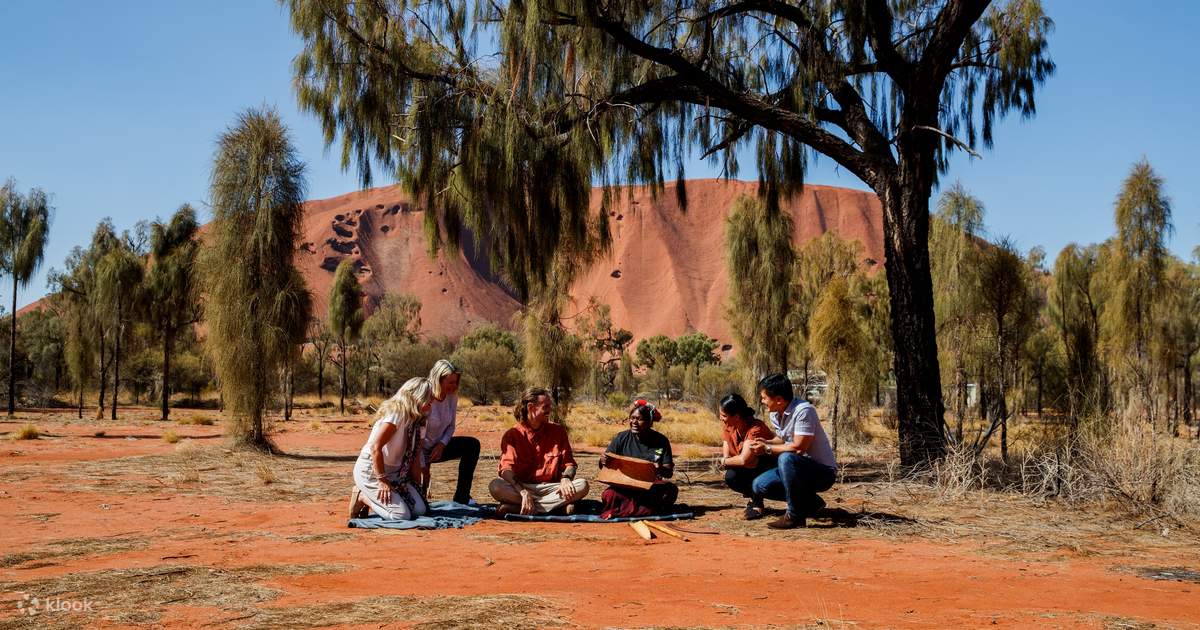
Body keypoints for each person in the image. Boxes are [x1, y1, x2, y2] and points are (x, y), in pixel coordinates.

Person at [751, 373, 838, 529]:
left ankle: (794, 515)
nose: (762, 401)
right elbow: (783, 439)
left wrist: (767, 449)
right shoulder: (775, 413)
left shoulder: (804, 411)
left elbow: (798, 447)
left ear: (778, 399)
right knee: (759, 485)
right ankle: (811, 503)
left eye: (764, 398)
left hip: (822, 472)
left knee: (785, 458)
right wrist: (766, 442)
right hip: (796, 468)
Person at [488, 387, 589, 516]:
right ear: (531, 407)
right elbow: (506, 470)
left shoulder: (558, 431)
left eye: (550, 406)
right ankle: (555, 508)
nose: (549, 410)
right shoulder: (512, 435)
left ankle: (522, 508)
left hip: (552, 488)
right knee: (495, 486)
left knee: (582, 485)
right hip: (522, 487)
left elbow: (570, 464)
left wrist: (566, 479)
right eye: (545, 407)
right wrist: (523, 492)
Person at [349, 377, 434, 520]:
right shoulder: (397, 413)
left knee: (420, 511)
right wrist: (382, 480)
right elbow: (375, 447)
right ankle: (362, 496)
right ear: (416, 396)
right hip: (372, 470)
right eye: (428, 396)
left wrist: (417, 488)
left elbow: (415, 457)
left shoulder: (420, 420)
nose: (432, 400)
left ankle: (392, 499)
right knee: (401, 515)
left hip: (397, 474)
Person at [597, 399, 678, 518]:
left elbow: (669, 472)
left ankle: (621, 510)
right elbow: (604, 465)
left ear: (649, 422)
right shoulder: (621, 437)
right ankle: (642, 510)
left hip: (650, 486)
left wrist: (659, 468)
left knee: (670, 491)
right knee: (609, 495)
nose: (634, 422)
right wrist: (603, 461)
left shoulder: (661, 441)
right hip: (624, 485)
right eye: (632, 418)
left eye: (639, 419)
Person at [419, 359, 480, 505]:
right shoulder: (424, 397)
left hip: (437, 448)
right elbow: (415, 436)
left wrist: (442, 444)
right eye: (451, 382)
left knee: (472, 445)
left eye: (456, 382)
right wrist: (422, 465)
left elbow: (451, 426)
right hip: (417, 450)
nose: (455, 386)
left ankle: (462, 496)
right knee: (420, 502)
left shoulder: (452, 397)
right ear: (438, 379)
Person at [718, 393, 777, 520]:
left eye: (724, 415)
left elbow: (744, 460)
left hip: (773, 470)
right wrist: (726, 460)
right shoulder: (730, 426)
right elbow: (727, 447)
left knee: (752, 464)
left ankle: (757, 503)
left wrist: (724, 461)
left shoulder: (756, 429)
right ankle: (755, 500)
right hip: (751, 468)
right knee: (731, 476)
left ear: (736, 416)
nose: (721, 418)